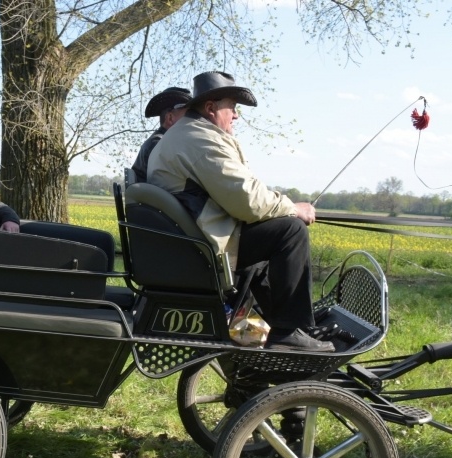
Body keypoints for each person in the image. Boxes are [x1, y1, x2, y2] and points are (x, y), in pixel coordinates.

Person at [147, 71, 335, 352]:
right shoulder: (200, 139)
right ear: (211, 108)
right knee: (290, 230)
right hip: (201, 248)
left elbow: (239, 193)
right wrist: (293, 208)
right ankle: (287, 332)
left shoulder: (189, 134)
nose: (236, 116)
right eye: (232, 108)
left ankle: (292, 326)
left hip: (192, 241)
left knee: (269, 244)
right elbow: (248, 202)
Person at [130, 87, 192, 183]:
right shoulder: (159, 145)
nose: (193, 122)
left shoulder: (158, 142)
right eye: (188, 116)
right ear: (170, 118)